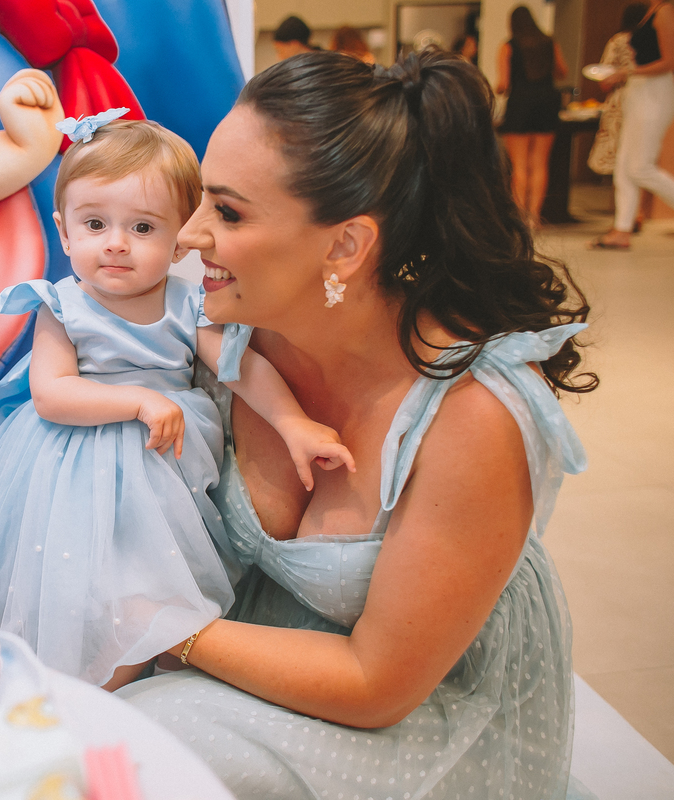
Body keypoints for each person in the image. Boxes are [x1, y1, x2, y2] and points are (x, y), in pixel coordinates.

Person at [117, 49, 596, 800]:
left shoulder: (474, 411)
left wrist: (168, 630)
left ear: (346, 244)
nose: (188, 236)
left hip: (420, 717)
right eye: (201, 199)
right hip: (250, 667)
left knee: (145, 746)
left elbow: (378, 685)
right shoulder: (235, 330)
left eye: (229, 211)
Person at [0, 118, 355, 692]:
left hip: (159, 466)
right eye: (94, 223)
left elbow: (240, 365)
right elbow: (51, 393)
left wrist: (293, 423)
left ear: (178, 239)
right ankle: (77, 687)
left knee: (155, 575)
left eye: (142, 227)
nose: (116, 242)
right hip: (70, 466)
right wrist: (137, 399)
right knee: (76, 578)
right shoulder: (61, 304)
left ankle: (153, 681)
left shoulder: (187, 303)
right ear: (64, 232)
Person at [590, 0, 674, 249]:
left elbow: (669, 61)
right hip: (639, 91)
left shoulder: (665, 12)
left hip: (655, 92)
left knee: (640, 167)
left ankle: (622, 228)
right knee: (624, 167)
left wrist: (625, 73)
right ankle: (621, 230)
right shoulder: (651, 11)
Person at [497, 6, 568, 228]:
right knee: (539, 163)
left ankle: (518, 215)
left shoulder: (508, 47)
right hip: (547, 101)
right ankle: (534, 216)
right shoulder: (549, 42)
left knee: (519, 165)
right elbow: (562, 71)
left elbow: (503, 84)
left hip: (520, 102)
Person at [588, 4, 652, 231]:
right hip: (647, 99)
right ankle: (639, 212)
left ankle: (622, 214)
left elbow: (605, 75)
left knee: (620, 160)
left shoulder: (618, 41)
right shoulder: (652, 41)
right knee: (640, 157)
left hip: (620, 102)